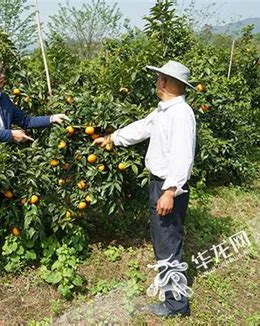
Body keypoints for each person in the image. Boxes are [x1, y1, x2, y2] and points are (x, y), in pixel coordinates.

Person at [93, 60, 196, 317]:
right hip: (159, 184)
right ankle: (171, 294)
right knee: (164, 241)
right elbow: (141, 128)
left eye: (159, 77)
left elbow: (183, 156)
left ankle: (177, 306)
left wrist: (170, 191)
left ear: (166, 82)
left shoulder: (181, 114)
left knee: (168, 243)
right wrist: (112, 138)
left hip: (167, 186)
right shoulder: (164, 111)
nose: (157, 82)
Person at [0, 53, 67, 293]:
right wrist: (10, 135)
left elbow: (24, 119)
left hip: (1, 170)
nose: (2, 76)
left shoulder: (4, 98)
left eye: (2, 71)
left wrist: (51, 118)